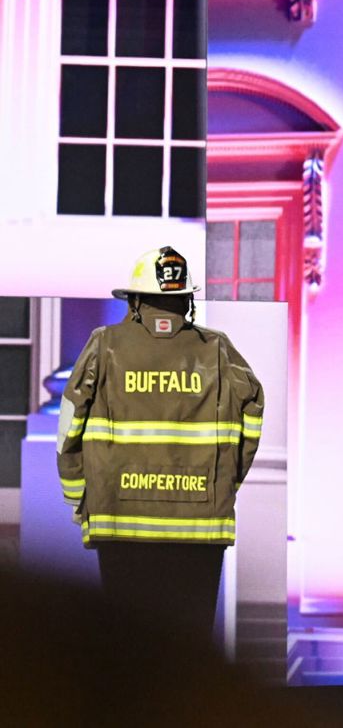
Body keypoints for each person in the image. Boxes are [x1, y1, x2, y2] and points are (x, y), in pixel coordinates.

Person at [56, 246, 264, 639]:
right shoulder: (218, 349)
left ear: (134, 301)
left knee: (127, 646)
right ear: (186, 301)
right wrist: (226, 483)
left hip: (120, 523)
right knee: (190, 652)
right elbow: (253, 407)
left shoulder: (104, 344)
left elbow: (70, 423)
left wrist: (76, 495)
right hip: (199, 528)